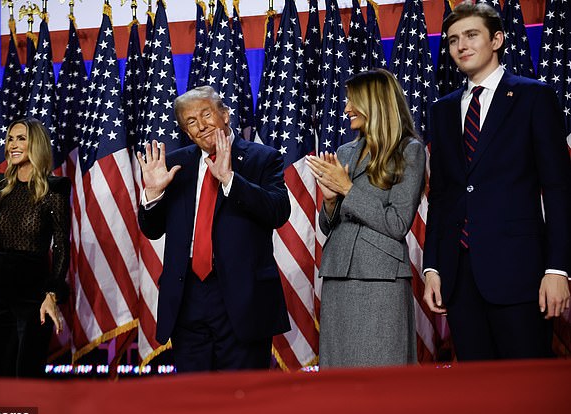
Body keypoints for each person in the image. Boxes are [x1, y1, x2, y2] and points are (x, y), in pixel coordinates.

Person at [423, 1, 571, 361]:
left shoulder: (534, 97)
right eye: (454, 39)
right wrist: (432, 268)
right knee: (477, 395)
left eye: (472, 35)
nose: (462, 46)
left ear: (498, 40)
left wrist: (558, 268)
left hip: (521, 275)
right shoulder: (442, 110)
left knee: (527, 393)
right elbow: (441, 196)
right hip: (459, 279)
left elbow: (558, 189)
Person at [136, 86, 291, 372]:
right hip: (187, 297)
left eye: (206, 114)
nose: (201, 125)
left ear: (225, 114)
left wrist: (231, 179)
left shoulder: (262, 158)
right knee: (194, 401)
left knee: (243, 400)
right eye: (190, 122)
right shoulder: (176, 165)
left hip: (242, 298)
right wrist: (153, 193)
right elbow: (153, 229)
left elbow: (279, 211)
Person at [306, 70, 426, 367]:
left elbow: (397, 223)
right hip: (338, 276)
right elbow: (327, 226)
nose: (346, 108)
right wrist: (331, 201)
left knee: (381, 375)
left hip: (380, 280)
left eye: (352, 100)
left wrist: (347, 188)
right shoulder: (346, 151)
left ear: (374, 103)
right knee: (339, 376)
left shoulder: (409, 151)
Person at [0, 117, 70, 377]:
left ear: (35, 144)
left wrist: (51, 294)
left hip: (33, 290)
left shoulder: (55, 188)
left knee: (26, 373)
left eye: (21, 138)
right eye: (10, 138)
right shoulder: (2, 184)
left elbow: (61, 245)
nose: (12, 144)